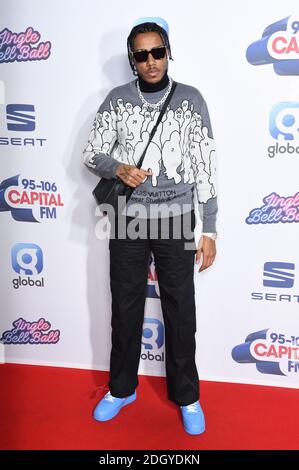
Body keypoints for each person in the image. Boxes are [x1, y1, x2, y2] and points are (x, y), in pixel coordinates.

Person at [83, 19, 218, 435]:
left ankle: (187, 396)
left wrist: (209, 230)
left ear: (167, 52)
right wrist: (118, 167)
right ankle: (121, 388)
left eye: (157, 51)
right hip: (128, 222)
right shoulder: (117, 99)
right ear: (132, 60)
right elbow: (91, 154)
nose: (151, 61)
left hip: (177, 219)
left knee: (181, 312)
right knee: (125, 308)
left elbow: (205, 167)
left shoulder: (191, 100)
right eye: (141, 54)